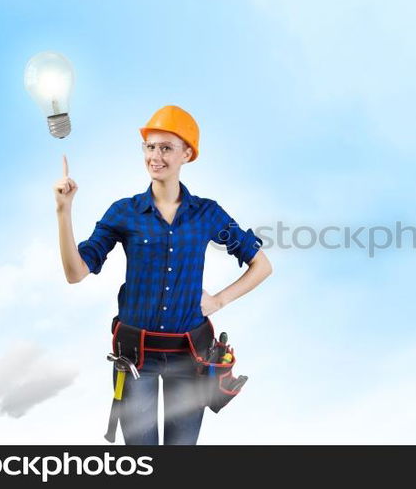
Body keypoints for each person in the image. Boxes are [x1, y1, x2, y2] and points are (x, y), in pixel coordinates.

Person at [52, 105, 272, 445]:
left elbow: (262, 265)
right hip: (135, 358)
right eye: (150, 147)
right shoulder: (124, 213)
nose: (155, 156)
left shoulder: (206, 214)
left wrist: (219, 300)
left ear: (187, 154)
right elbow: (74, 273)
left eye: (166, 148)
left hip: (189, 358)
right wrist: (63, 212)